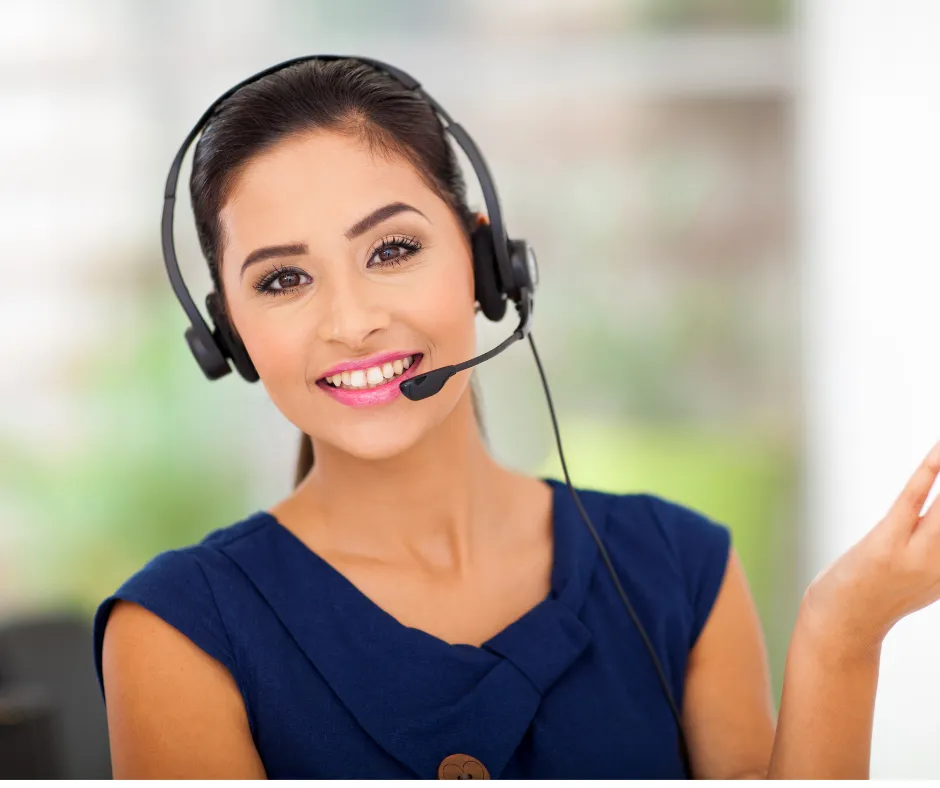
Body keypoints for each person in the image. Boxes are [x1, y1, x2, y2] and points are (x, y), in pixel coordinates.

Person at [92, 57, 940, 779]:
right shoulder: (175, 630)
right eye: (283, 280)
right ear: (226, 333)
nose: (350, 322)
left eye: (391, 250)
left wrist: (843, 632)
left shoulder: (680, 569)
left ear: (486, 264)